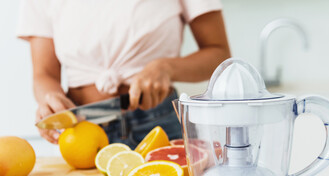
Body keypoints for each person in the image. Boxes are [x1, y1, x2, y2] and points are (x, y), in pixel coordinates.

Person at [17, 0, 230, 149]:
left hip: (160, 123)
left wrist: (167, 68)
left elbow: (219, 55)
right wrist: (50, 100)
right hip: (82, 130)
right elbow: (44, 75)